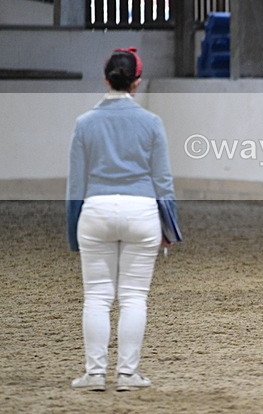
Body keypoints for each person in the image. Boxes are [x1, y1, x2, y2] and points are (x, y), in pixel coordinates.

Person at [66, 47, 179, 392]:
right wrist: (169, 229)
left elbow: (76, 184)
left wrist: (73, 232)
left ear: (105, 79)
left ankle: (95, 374)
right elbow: (163, 181)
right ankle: (128, 375)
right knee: (133, 297)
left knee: (97, 297)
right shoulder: (151, 123)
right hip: (141, 211)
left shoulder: (84, 123)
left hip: (97, 211)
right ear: (137, 83)